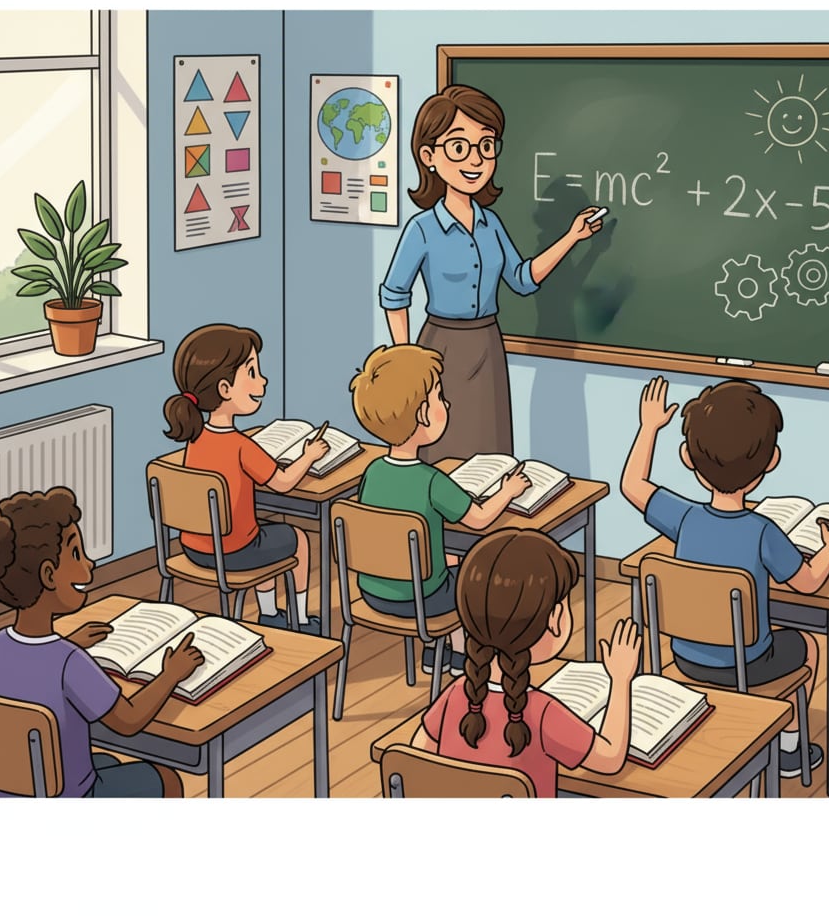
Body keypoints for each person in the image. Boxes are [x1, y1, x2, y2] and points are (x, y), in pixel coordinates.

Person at [620, 375, 829, 778]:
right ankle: (789, 751)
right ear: (771, 461)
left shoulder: (684, 517)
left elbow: (632, 485)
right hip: (747, 663)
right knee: (810, 646)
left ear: (687, 457)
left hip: (685, 659)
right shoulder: (763, 531)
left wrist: (648, 427)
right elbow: (810, 582)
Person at [379, 83, 606, 463]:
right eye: (459, 147)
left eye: (486, 146)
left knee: (489, 453)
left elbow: (521, 279)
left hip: (487, 343)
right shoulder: (422, 229)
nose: (476, 160)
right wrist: (407, 360)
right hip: (439, 349)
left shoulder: (491, 224)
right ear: (428, 156)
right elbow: (394, 295)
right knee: (439, 447)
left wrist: (572, 237)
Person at [0, 487, 204, 798]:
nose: (89, 565)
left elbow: (28, 678)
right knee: (166, 778)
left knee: (105, 760)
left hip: (9, 794)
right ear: (49, 574)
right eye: (76, 554)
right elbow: (128, 721)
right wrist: (171, 674)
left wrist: (68, 642)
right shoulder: (69, 661)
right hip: (68, 798)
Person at [411, 528, 641, 797]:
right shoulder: (541, 712)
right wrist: (621, 679)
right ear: (554, 618)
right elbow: (611, 758)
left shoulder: (456, 694)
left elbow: (418, 756)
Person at [349, 342, 531, 676]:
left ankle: (436, 652)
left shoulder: (372, 472)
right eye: (438, 397)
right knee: (468, 578)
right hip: (421, 598)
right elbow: (479, 520)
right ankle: (459, 655)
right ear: (421, 414)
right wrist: (508, 491)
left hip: (371, 592)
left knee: (446, 559)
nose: (446, 403)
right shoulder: (432, 481)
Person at [163, 323, 327, 632]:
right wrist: (309, 456)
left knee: (262, 532)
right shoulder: (240, 445)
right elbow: (282, 483)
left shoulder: (195, 440)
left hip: (193, 547)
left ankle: (269, 613)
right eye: (251, 373)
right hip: (234, 553)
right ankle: (301, 619)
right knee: (298, 540)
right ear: (225, 389)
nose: (262, 380)